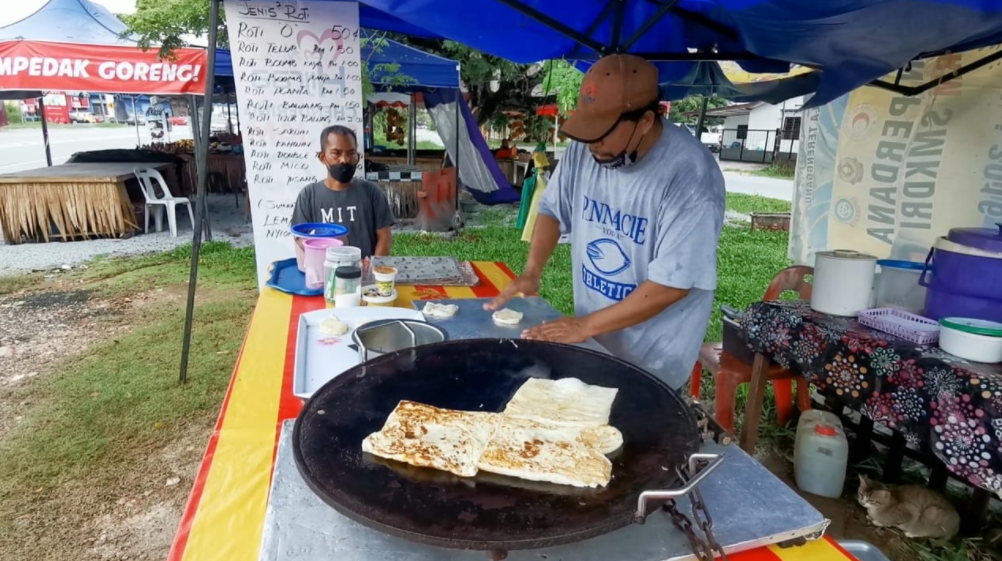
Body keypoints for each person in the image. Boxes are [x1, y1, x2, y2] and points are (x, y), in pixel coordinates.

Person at [486, 55, 725, 391]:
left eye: (603, 132)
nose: (593, 143)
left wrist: (584, 326)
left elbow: (672, 284)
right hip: (597, 342)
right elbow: (552, 209)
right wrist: (532, 271)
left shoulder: (691, 177)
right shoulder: (586, 150)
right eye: (588, 130)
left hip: (654, 359)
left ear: (644, 121)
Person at [291, 124, 395, 258]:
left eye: (351, 153)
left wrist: (373, 269)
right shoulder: (309, 195)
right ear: (323, 157)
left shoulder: (372, 192)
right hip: (326, 275)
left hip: (365, 275)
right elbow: (302, 241)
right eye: (336, 153)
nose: (345, 160)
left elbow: (384, 236)